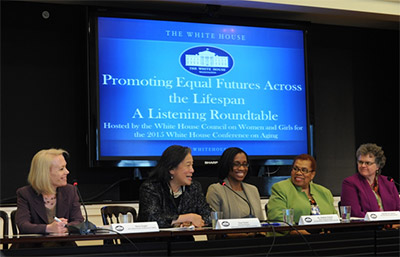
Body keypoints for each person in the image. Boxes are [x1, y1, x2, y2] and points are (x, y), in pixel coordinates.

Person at [15, 149, 84, 239]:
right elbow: (23, 225)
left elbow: (79, 221)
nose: (67, 172)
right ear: (45, 173)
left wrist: (63, 227)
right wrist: (49, 228)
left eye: (65, 167)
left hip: (64, 246)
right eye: (61, 169)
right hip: (34, 248)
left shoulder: (70, 191)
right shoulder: (25, 194)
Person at [138, 145, 212, 228]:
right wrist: (188, 218)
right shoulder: (151, 188)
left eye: (192, 165)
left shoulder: (194, 187)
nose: (192, 170)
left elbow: (209, 216)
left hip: (184, 240)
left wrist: (189, 223)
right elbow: (151, 218)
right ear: (171, 169)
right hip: (155, 240)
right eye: (188, 165)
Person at [267, 154, 337, 234]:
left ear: (312, 174)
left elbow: (335, 218)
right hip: (292, 239)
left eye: (304, 170)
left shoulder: (324, 192)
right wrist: (298, 232)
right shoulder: (280, 188)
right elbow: (277, 218)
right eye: (295, 169)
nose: (299, 173)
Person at [341, 143, 400, 218]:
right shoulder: (350, 183)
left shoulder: (388, 182)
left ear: (378, 166)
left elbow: (398, 209)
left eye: (367, 163)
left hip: (392, 226)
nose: (363, 165)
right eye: (360, 162)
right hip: (368, 227)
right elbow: (354, 213)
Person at [206, 147, 263, 220]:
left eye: (245, 164)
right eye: (236, 164)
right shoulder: (216, 190)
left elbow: (261, 222)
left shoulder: (253, 190)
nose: (242, 168)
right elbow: (214, 224)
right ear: (226, 165)